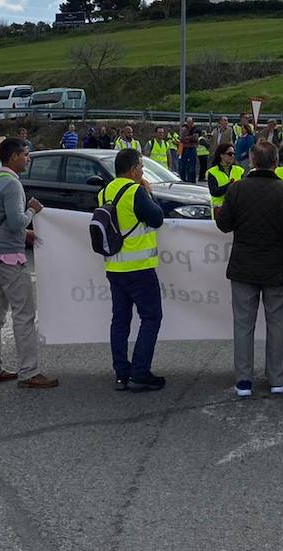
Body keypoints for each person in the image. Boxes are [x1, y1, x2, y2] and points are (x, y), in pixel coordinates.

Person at [215, 141, 283, 396]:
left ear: (252, 161)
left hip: (243, 266)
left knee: (243, 324)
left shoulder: (237, 190)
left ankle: (244, 380)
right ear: (276, 162)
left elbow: (224, 225)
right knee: (277, 323)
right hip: (276, 266)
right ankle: (277, 379)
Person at [0, 139, 57, 389]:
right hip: (10, 257)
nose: (28, 158)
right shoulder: (12, 184)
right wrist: (32, 210)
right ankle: (29, 371)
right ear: (13, 157)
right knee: (24, 314)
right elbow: (15, 222)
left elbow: (1, 220)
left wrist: (25, 233)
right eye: (25, 154)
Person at [103, 148, 166, 392]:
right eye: (140, 167)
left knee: (120, 320)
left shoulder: (105, 191)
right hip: (139, 268)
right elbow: (156, 218)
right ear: (131, 170)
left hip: (114, 267)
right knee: (151, 317)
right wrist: (150, 194)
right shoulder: (135, 191)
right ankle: (140, 371)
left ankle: (121, 373)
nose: (142, 171)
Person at [207, 143, 243, 220]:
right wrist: (230, 185)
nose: (232, 156)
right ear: (221, 155)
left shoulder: (240, 170)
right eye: (230, 154)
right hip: (220, 211)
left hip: (237, 210)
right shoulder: (212, 172)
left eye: (234, 154)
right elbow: (214, 192)